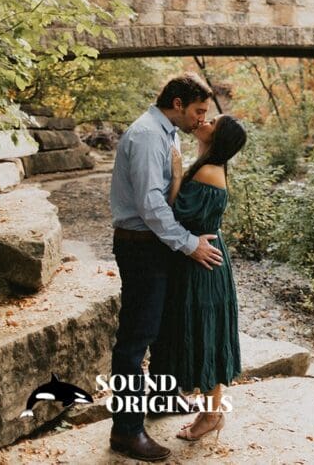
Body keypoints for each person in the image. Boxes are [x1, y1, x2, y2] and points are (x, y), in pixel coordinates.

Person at [108, 73, 223, 463]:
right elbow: (151, 205)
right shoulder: (146, 136)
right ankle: (125, 431)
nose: (200, 120)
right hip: (140, 247)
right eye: (198, 111)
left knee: (161, 330)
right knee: (135, 339)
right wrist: (190, 245)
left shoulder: (168, 132)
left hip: (157, 247)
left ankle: (158, 397)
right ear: (177, 104)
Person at [150, 113, 246, 442]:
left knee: (206, 335)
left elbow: (175, 211)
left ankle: (211, 416)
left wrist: (176, 175)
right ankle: (209, 412)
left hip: (204, 262)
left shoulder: (207, 170)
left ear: (217, 137)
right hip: (203, 258)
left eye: (212, 122)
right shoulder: (208, 165)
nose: (204, 121)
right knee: (206, 333)